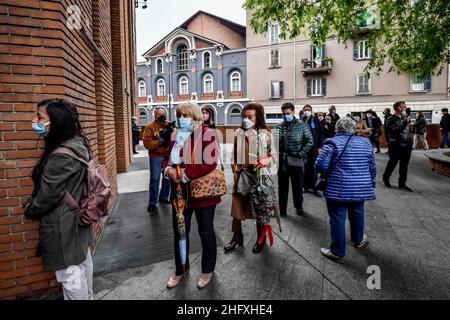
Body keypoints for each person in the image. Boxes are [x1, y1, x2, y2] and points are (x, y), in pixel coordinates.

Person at [25, 99, 94, 300]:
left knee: (71, 277)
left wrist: (30, 209)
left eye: (40, 117)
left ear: (56, 121)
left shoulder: (60, 156)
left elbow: (47, 196)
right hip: (77, 220)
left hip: (63, 226)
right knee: (82, 264)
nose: (34, 121)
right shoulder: (77, 144)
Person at [163, 102, 222, 289]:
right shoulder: (175, 135)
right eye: (179, 115)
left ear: (196, 117)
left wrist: (183, 174)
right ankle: (181, 269)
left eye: (186, 116)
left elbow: (209, 162)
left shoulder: (207, 134)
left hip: (202, 193)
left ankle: (207, 269)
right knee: (180, 232)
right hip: (179, 194)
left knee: (206, 232)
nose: (181, 119)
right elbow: (167, 159)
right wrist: (168, 171)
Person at [315, 117, 376, 263]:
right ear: (353, 128)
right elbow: (372, 165)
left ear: (337, 128)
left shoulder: (332, 142)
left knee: (337, 218)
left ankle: (337, 252)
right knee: (357, 213)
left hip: (338, 188)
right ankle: (358, 240)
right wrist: (371, 182)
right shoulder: (365, 142)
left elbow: (320, 165)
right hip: (360, 187)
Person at [276, 102, 313, 216]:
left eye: (288, 113)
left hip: (296, 160)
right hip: (282, 161)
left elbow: (310, 141)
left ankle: (299, 207)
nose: (286, 115)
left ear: (293, 112)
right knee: (282, 188)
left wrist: (301, 153)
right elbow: (275, 143)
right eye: (284, 114)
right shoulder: (279, 126)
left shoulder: (301, 125)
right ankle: (282, 209)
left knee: (297, 187)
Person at [143, 107, 171, 215]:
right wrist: (160, 143)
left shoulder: (168, 124)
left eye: (162, 114)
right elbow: (147, 143)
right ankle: (152, 203)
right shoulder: (149, 127)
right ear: (155, 115)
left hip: (167, 156)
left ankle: (164, 196)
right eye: (158, 115)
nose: (161, 117)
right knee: (155, 179)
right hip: (155, 156)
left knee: (167, 177)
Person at [383, 101, 413, 192]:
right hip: (395, 144)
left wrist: (410, 140)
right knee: (393, 163)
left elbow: (408, 130)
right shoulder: (390, 118)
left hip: (407, 144)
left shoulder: (406, 118)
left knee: (404, 165)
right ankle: (386, 178)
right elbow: (394, 131)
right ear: (397, 108)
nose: (404, 109)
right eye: (402, 107)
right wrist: (404, 122)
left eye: (405, 107)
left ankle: (402, 183)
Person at [302, 104, 324, 197]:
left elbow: (321, 134)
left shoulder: (316, 121)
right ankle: (304, 186)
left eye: (308, 109)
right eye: (305, 109)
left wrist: (320, 147)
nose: (307, 111)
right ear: (303, 111)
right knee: (304, 168)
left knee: (314, 168)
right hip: (303, 149)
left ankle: (315, 188)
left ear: (311, 111)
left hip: (314, 148)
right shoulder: (301, 122)